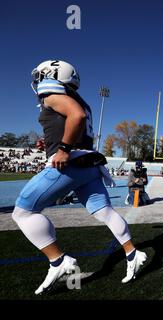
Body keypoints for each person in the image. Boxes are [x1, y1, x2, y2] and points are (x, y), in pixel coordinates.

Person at [12, 60, 147, 295]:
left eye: (42, 74)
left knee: (23, 212)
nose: (38, 80)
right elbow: (75, 120)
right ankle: (132, 253)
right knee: (105, 211)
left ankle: (58, 261)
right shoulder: (81, 100)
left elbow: (75, 117)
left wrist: (62, 148)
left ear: (53, 75)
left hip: (71, 163)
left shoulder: (51, 92)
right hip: (89, 164)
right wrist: (56, 142)